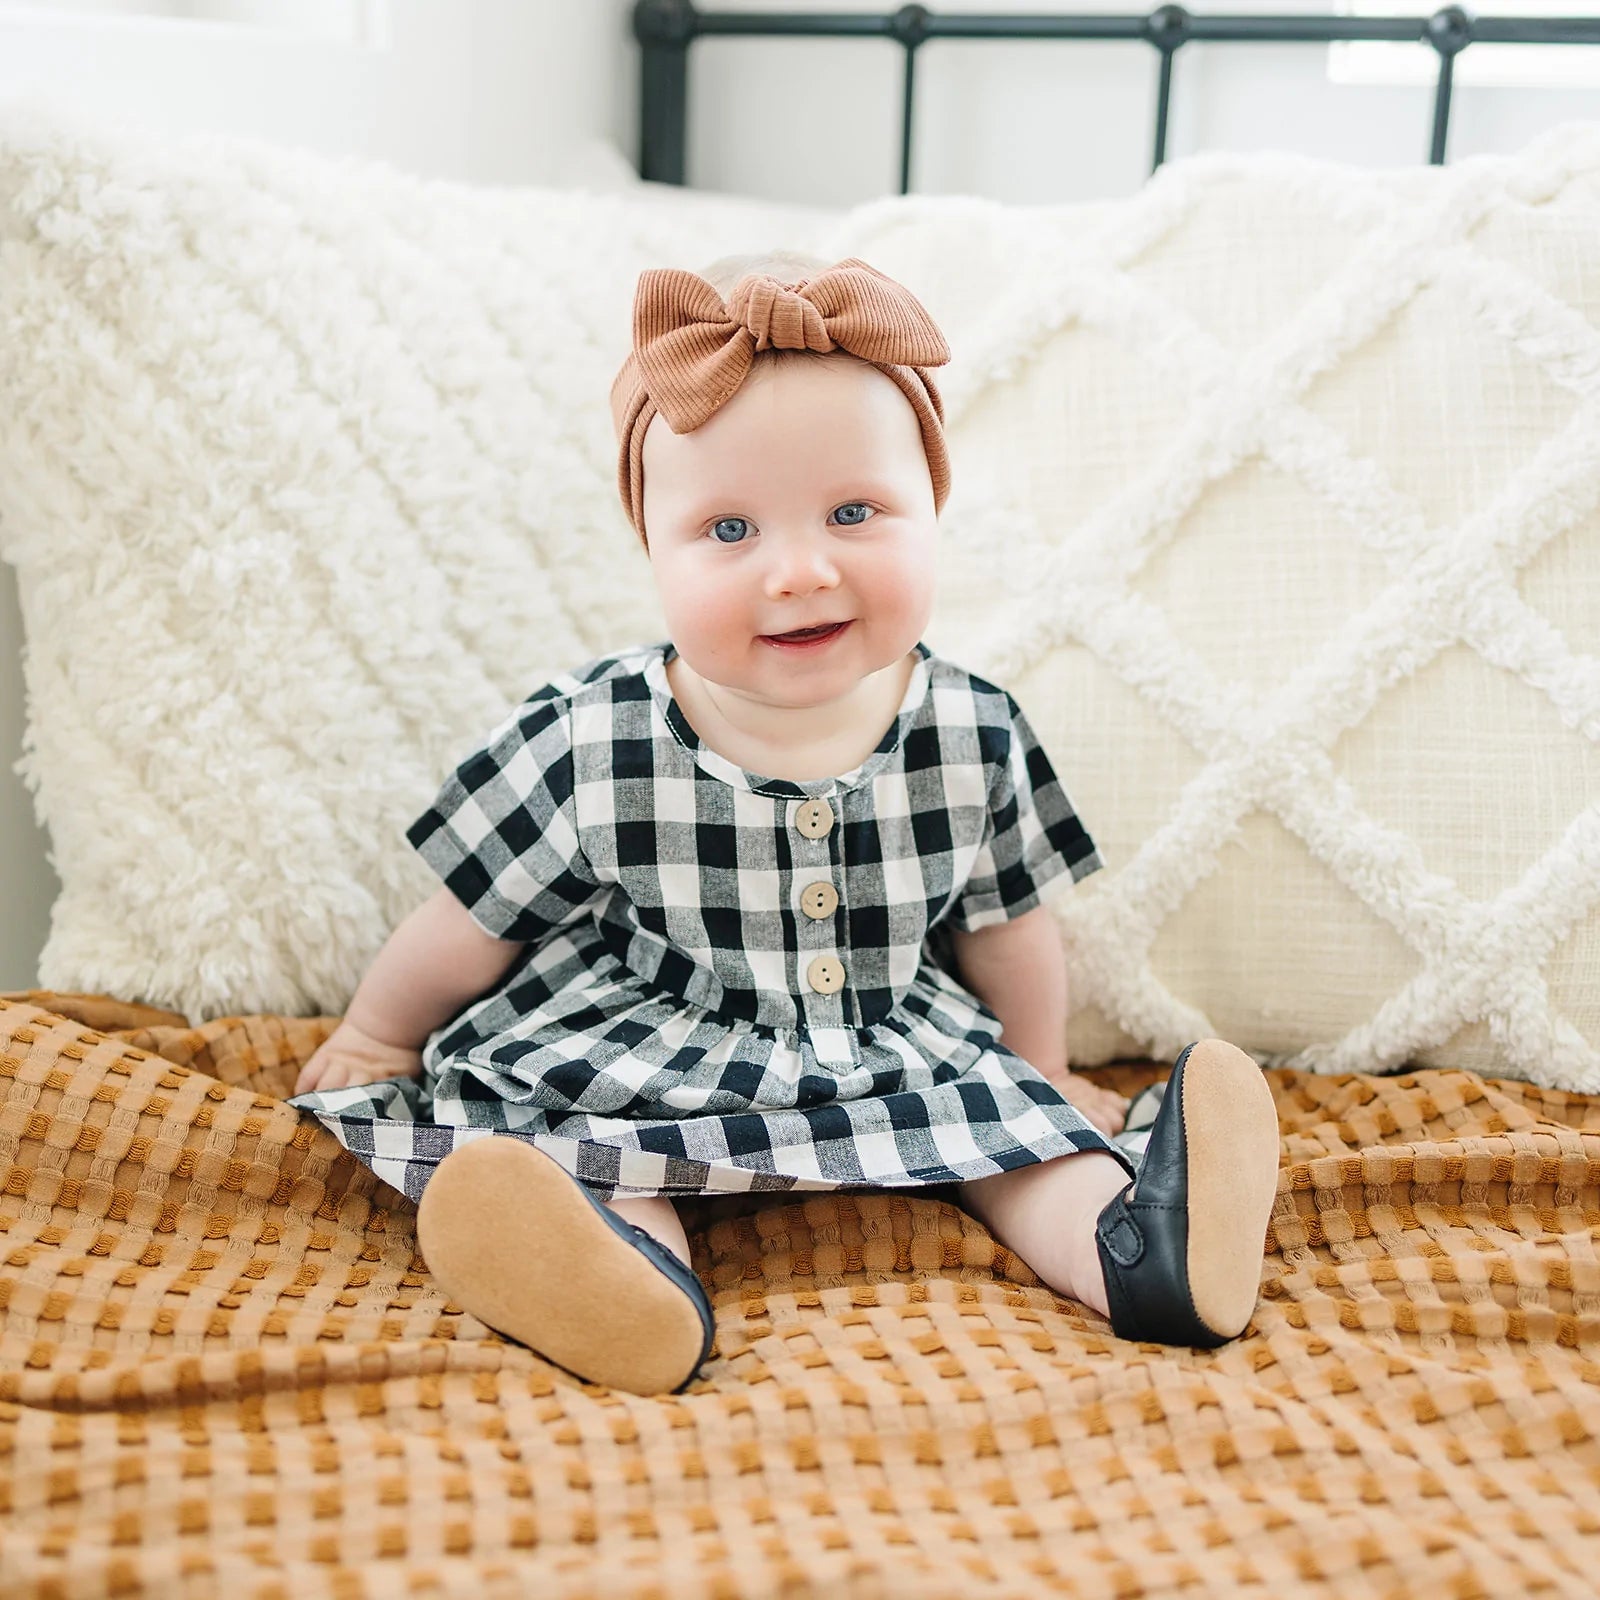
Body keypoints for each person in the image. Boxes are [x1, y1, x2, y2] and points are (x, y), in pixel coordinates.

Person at [288, 253, 1281, 1397]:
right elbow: (472, 920)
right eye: (727, 530)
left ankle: (1141, 1251)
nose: (799, 571)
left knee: (1014, 1144)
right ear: (650, 546)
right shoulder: (594, 737)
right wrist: (376, 1033)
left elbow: (1009, 925)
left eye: (854, 512)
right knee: (588, 1147)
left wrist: (1040, 1064)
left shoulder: (970, 727)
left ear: (932, 509)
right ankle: (619, 1279)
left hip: (889, 1040)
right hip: (653, 1039)